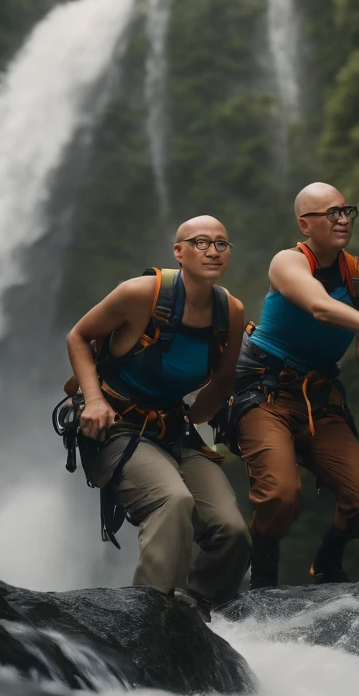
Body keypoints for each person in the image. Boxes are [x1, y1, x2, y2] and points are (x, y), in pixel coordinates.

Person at [229, 182, 359, 588]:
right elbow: (321, 308)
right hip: (265, 393)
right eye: (331, 214)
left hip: (321, 399)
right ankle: (264, 576)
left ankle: (327, 560)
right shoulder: (287, 263)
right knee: (280, 494)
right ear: (305, 224)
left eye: (346, 211)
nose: (342, 220)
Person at [65, 216, 251, 619]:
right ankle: (151, 617)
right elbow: (78, 336)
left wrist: (216, 418)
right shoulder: (141, 294)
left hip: (173, 429)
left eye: (222, 244)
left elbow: (221, 382)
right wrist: (94, 401)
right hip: (117, 425)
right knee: (173, 500)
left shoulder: (230, 312)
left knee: (232, 532)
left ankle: (199, 614)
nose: (213, 251)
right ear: (178, 252)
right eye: (201, 242)